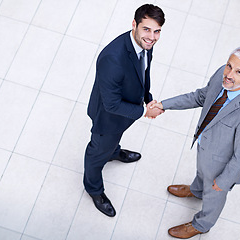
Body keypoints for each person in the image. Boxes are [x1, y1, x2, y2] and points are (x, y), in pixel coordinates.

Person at [146, 46, 240, 238]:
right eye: (229, 66)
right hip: (205, 147)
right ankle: (197, 190)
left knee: (215, 195)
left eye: (238, 71)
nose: (229, 74)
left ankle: (201, 225)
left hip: (221, 166)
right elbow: (201, 96)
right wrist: (164, 105)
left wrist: (224, 181)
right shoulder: (222, 74)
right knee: (201, 173)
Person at [84, 4, 165, 217]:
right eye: (146, 29)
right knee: (96, 152)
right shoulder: (113, 59)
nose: (152, 37)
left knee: (112, 143)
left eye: (156, 31)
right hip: (107, 118)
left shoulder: (145, 44)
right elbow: (111, 105)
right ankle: (94, 189)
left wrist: (147, 97)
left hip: (126, 109)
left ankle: (113, 152)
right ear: (134, 25)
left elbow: (143, 72)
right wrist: (144, 111)